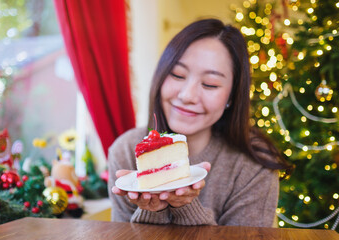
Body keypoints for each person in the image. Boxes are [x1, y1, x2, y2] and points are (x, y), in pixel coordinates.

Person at [108, 18, 290, 227]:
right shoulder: (126, 151)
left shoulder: (253, 164)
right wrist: (153, 210)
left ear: (232, 96)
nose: (187, 95)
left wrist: (184, 206)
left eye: (210, 84)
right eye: (177, 74)